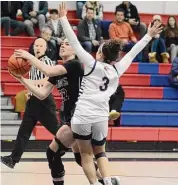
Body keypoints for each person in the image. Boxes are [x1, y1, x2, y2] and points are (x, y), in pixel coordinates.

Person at [58, 2, 163, 185]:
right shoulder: (117, 69)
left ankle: (94, 184)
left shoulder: (91, 65)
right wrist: (148, 35)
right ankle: (107, 180)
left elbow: (74, 41)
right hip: (101, 116)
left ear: (99, 53)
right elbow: (133, 51)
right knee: (100, 152)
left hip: (83, 115)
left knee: (86, 154)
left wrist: (63, 19)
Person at [10, 38, 120, 185]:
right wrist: (21, 79)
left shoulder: (74, 65)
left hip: (81, 116)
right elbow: (42, 93)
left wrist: (29, 56)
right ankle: (106, 181)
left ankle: (84, 181)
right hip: (72, 117)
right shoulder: (59, 70)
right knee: (81, 158)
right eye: (62, 43)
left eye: (67, 44)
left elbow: (47, 70)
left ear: (75, 49)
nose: (63, 45)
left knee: (53, 152)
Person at [1, 38, 59, 169]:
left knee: (57, 130)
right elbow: (34, 80)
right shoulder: (31, 63)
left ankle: (77, 145)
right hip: (33, 100)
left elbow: (46, 82)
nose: (37, 48)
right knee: (24, 131)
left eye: (40, 46)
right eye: (36, 45)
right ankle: (13, 159)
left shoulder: (48, 62)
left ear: (46, 48)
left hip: (44, 101)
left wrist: (26, 82)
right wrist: (29, 92)